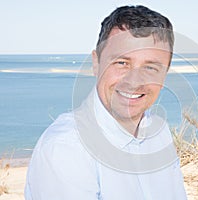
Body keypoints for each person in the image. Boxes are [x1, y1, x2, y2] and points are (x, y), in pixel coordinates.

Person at [25, 5, 187, 200]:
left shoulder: (158, 131)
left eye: (150, 67)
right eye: (121, 63)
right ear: (96, 63)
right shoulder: (67, 149)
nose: (134, 81)